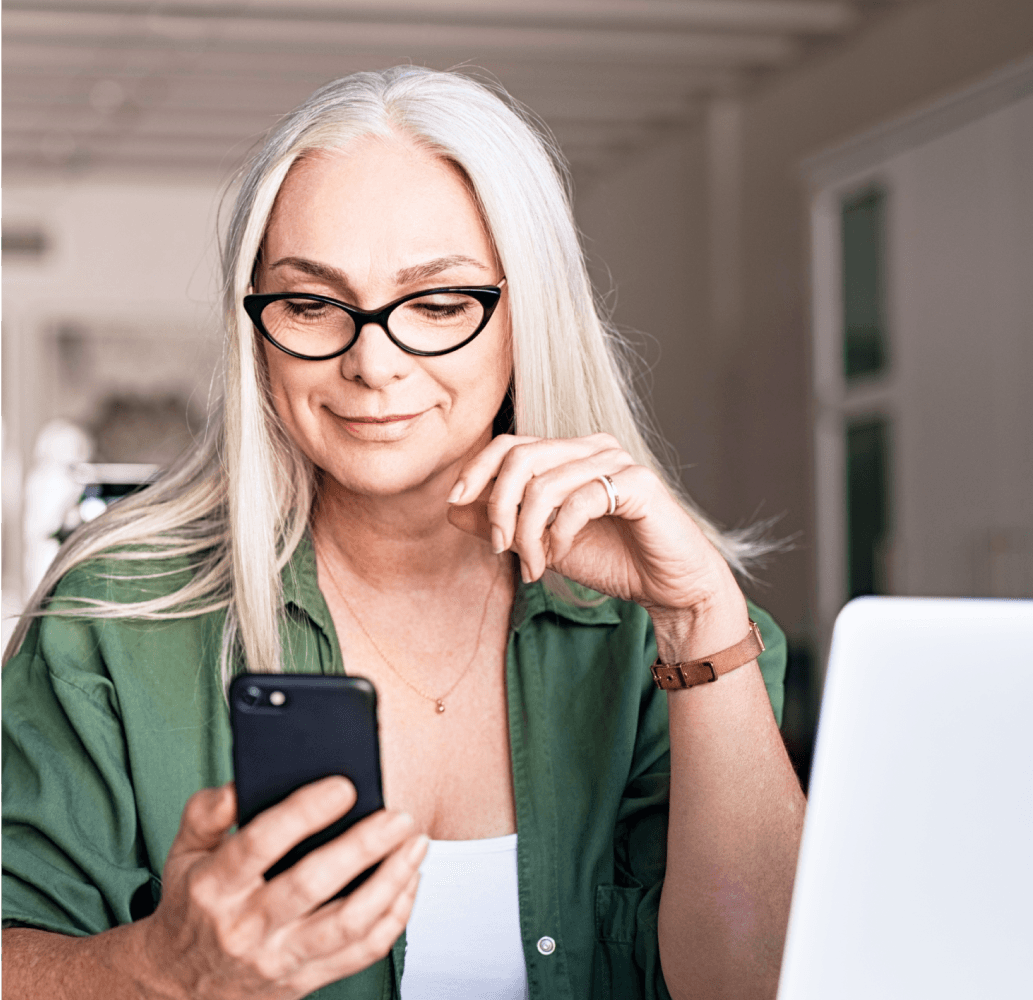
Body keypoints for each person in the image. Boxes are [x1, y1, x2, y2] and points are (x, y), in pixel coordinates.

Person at [0, 67, 805, 1000]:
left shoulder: (664, 625)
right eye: (309, 305)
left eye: (437, 304)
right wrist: (158, 970)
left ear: (526, 315)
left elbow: (759, 983)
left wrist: (699, 617)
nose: (372, 363)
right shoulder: (114, 616)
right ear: (252, 326)